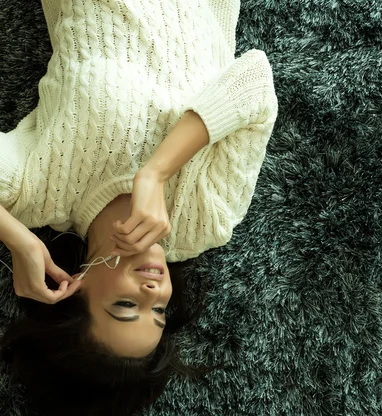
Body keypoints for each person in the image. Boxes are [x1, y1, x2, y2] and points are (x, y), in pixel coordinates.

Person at [0, 0, 278, 414]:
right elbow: (255, 78)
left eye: (128, 306)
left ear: (73, 289)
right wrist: (156, 173)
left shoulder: (41, 189)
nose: (154, 291)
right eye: (160, 310)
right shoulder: (207, 221)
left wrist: (17, 240)